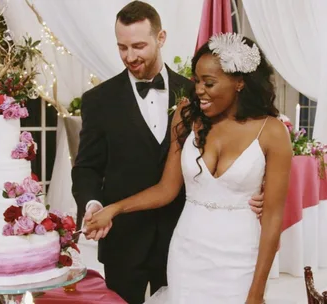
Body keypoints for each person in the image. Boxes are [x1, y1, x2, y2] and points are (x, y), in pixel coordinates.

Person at [72, 2, 264, 303]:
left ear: (160, 38)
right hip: (125, 237)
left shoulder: (199, 93)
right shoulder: (98, 100)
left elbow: (236, 145)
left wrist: (255, 188)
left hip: (187, 238)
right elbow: (86, 167)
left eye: (138, 46)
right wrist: (93, 204)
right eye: (122, 47)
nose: (130, 56)